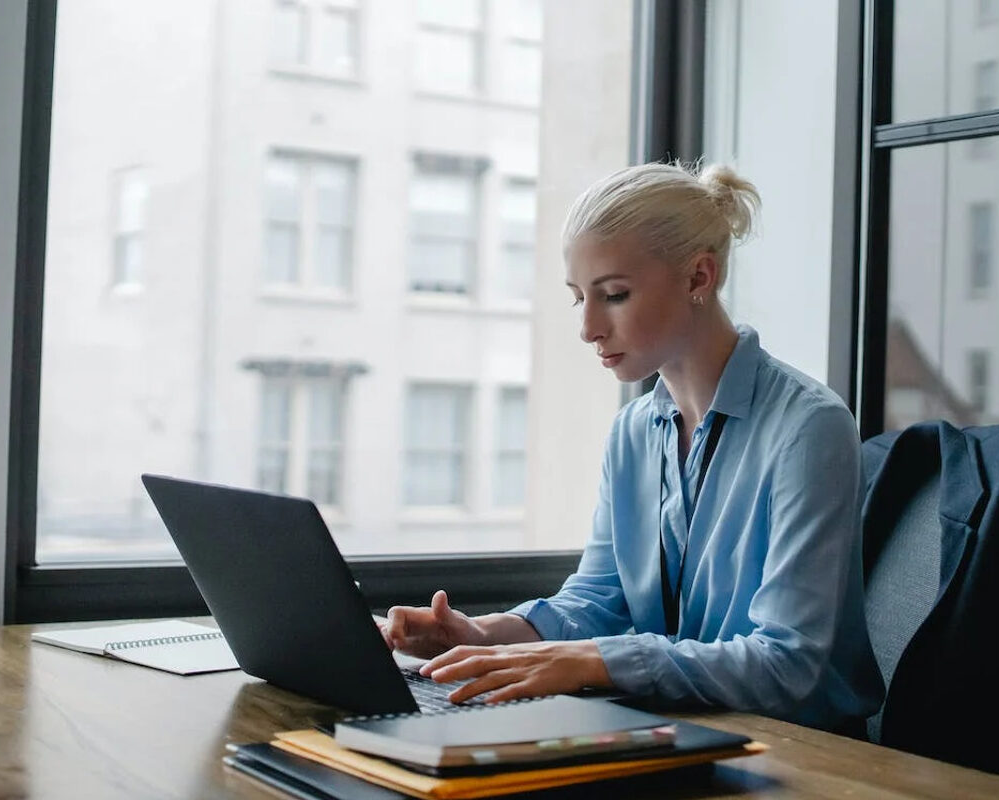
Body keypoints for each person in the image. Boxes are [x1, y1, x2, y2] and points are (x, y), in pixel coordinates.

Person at [379, 162, 884, 732]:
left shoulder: (809, 428)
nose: (589, 328)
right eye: (579, 299)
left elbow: (786, 664)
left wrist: (592, 661)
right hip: (677, 729)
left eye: (614, 295)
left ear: (699, 278)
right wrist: (484, 634)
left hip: (803, 755)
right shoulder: (633, 432)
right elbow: (601, 600)